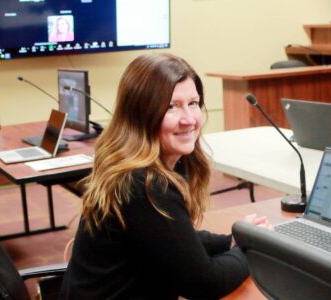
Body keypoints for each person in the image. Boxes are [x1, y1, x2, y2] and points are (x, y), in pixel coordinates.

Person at [61, 53, 269, 299]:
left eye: (193, 103)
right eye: (172, 107)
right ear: (141, 114)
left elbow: (169, 237)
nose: (189, 119)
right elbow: (206, 284)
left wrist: (228, 241)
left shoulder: (134, 167)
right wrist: (246, 249)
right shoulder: (144, 184)